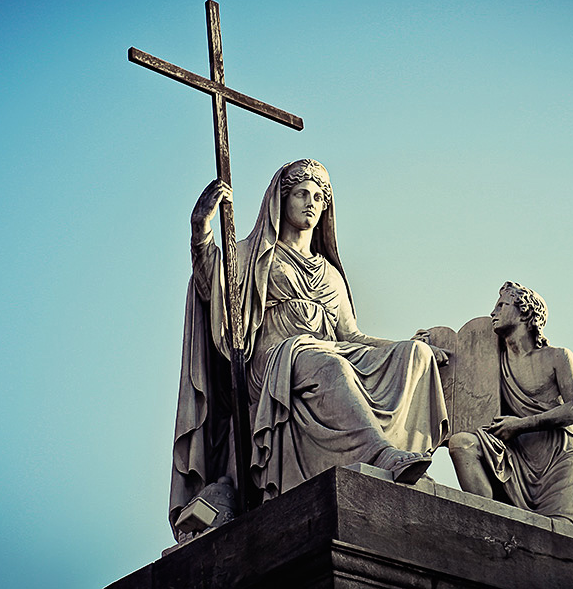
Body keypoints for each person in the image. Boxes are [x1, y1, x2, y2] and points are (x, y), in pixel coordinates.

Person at [169, 159, 449, 537]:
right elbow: (211, 284)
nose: (311, 203)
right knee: (322, 361)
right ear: (281, 200)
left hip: (326, 354)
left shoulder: (329, 272)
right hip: (273, 363)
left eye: (319, 197)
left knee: (412, 356)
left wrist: (408, 345)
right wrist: (200, 231)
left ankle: (407, 460)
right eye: (302, 193)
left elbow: (352, 336)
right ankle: (381, 455)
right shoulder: (253, 254)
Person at [448, 282, 573, 528]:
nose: (493, 313)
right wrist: (427, 344)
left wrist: (521, 424)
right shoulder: (492, 361)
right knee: (461, 443)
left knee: (560, 537)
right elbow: (453, 370)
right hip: (515, 454)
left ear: (524, 312)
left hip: (557, 457)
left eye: (501, 305)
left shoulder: (558, 356)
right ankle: (488, 526)